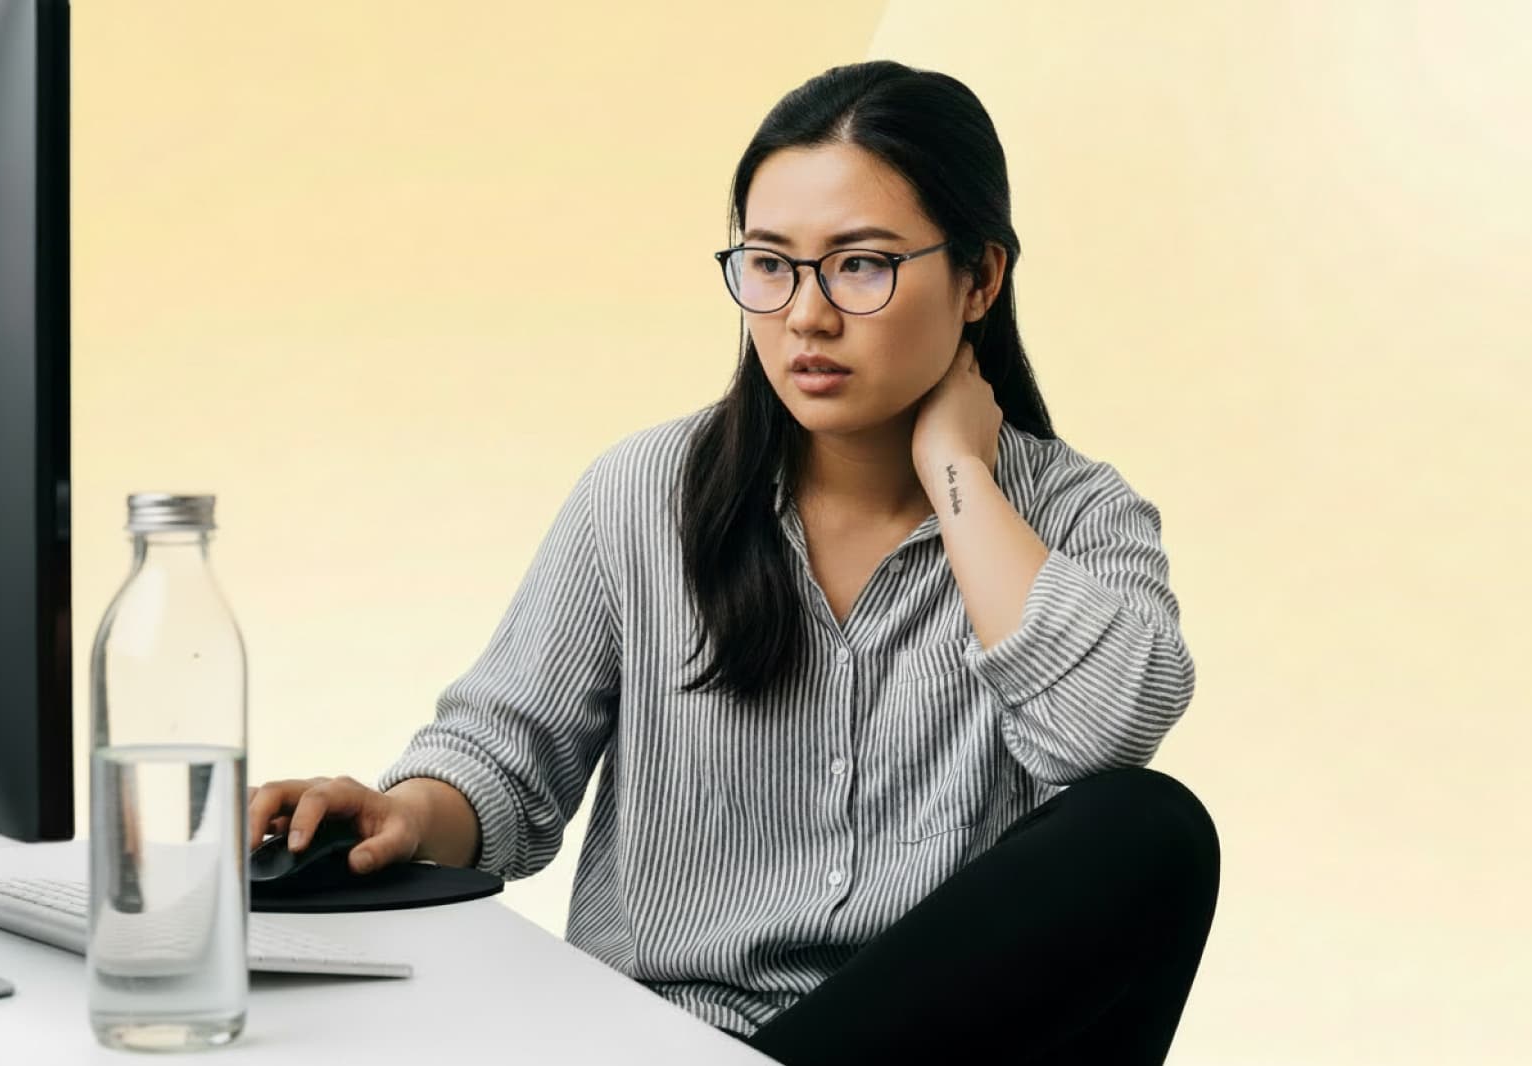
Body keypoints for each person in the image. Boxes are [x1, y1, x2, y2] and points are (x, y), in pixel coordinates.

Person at [246, 60, 1220, 1065]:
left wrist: (956, 468)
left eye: (860, 264)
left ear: (978, 278)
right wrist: (401, 814)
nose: (805, 314)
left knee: (1153, 831)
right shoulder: (646, 492)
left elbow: (1101, 734)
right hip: (656, 1040)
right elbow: (505, 761)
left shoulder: (1078, 513)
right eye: (768, 263)